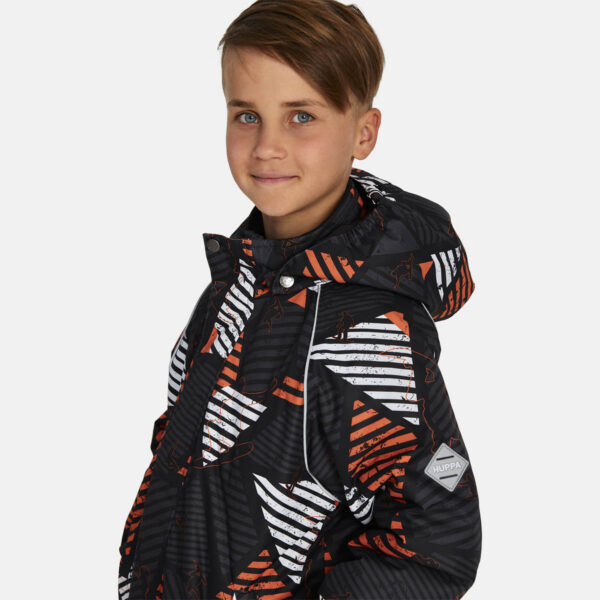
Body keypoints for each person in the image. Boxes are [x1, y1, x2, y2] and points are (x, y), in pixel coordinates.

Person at [118, 1, 482, 598]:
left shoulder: (371, 328)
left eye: (301, 116)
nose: (266, 146)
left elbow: (438, 537)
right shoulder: (238, 282)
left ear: (363, 132)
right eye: (247, 115)